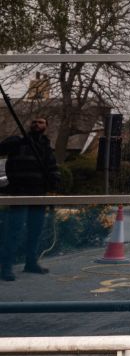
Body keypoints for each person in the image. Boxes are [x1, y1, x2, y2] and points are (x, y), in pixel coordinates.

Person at [0, 116, 59, 282]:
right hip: (19, 192)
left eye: (40, 122)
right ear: (29, 125)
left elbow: (52, 167)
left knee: (35, 231)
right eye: (34, 121)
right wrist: (14, 142)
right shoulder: (18, 141)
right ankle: (6, 267)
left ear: (46, 126)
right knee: (13, 231)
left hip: (38, 194)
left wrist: (54, 185)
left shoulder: (46, 146)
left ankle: (31, 263)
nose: (36, 124)